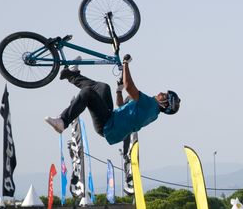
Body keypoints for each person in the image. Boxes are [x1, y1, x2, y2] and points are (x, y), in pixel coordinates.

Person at [44, 55, 181, 145]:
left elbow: (129, 86)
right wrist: (118, 91)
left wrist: (126, 63)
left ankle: (63, 121)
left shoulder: (150, 104)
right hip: (111, 118)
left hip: (107, 125)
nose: (161, 92)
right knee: (103, 87)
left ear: (165, 104)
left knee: (88, 93)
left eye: (164, 95)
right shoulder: (152, 113)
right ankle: (71, 75)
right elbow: (121, 105)